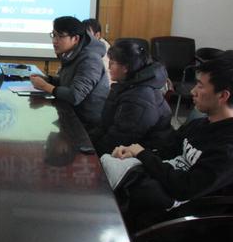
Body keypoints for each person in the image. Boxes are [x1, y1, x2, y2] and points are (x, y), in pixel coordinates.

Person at [109, 52, 233, 227]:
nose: (192, 91)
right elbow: (168, 148)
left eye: (200, 86)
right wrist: (134, 152)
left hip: (181, 222)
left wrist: (143, 155)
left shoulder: (227, 148)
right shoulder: (199, 125)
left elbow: (185, 189)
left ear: (222, 96)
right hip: (161, 194)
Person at [89, 40, 172, 155]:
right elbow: (106, 124)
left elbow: (119, 140)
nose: (108, 67)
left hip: (148, 152)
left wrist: (90, 151)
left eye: (112, 63)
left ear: (125, 68)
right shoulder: (128, 84)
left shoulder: (138, 98)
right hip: (126, 144)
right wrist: (87, 141)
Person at [30, 16, 110, 127]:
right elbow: (68, 82)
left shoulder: (90, 60)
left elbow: (75, 96)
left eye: (60, 36)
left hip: (86, 124)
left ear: (75, 39)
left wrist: (45, 86)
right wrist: (48, 80)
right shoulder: (72, 54)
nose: (54, 41)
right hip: (70, 114)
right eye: (54, 35)